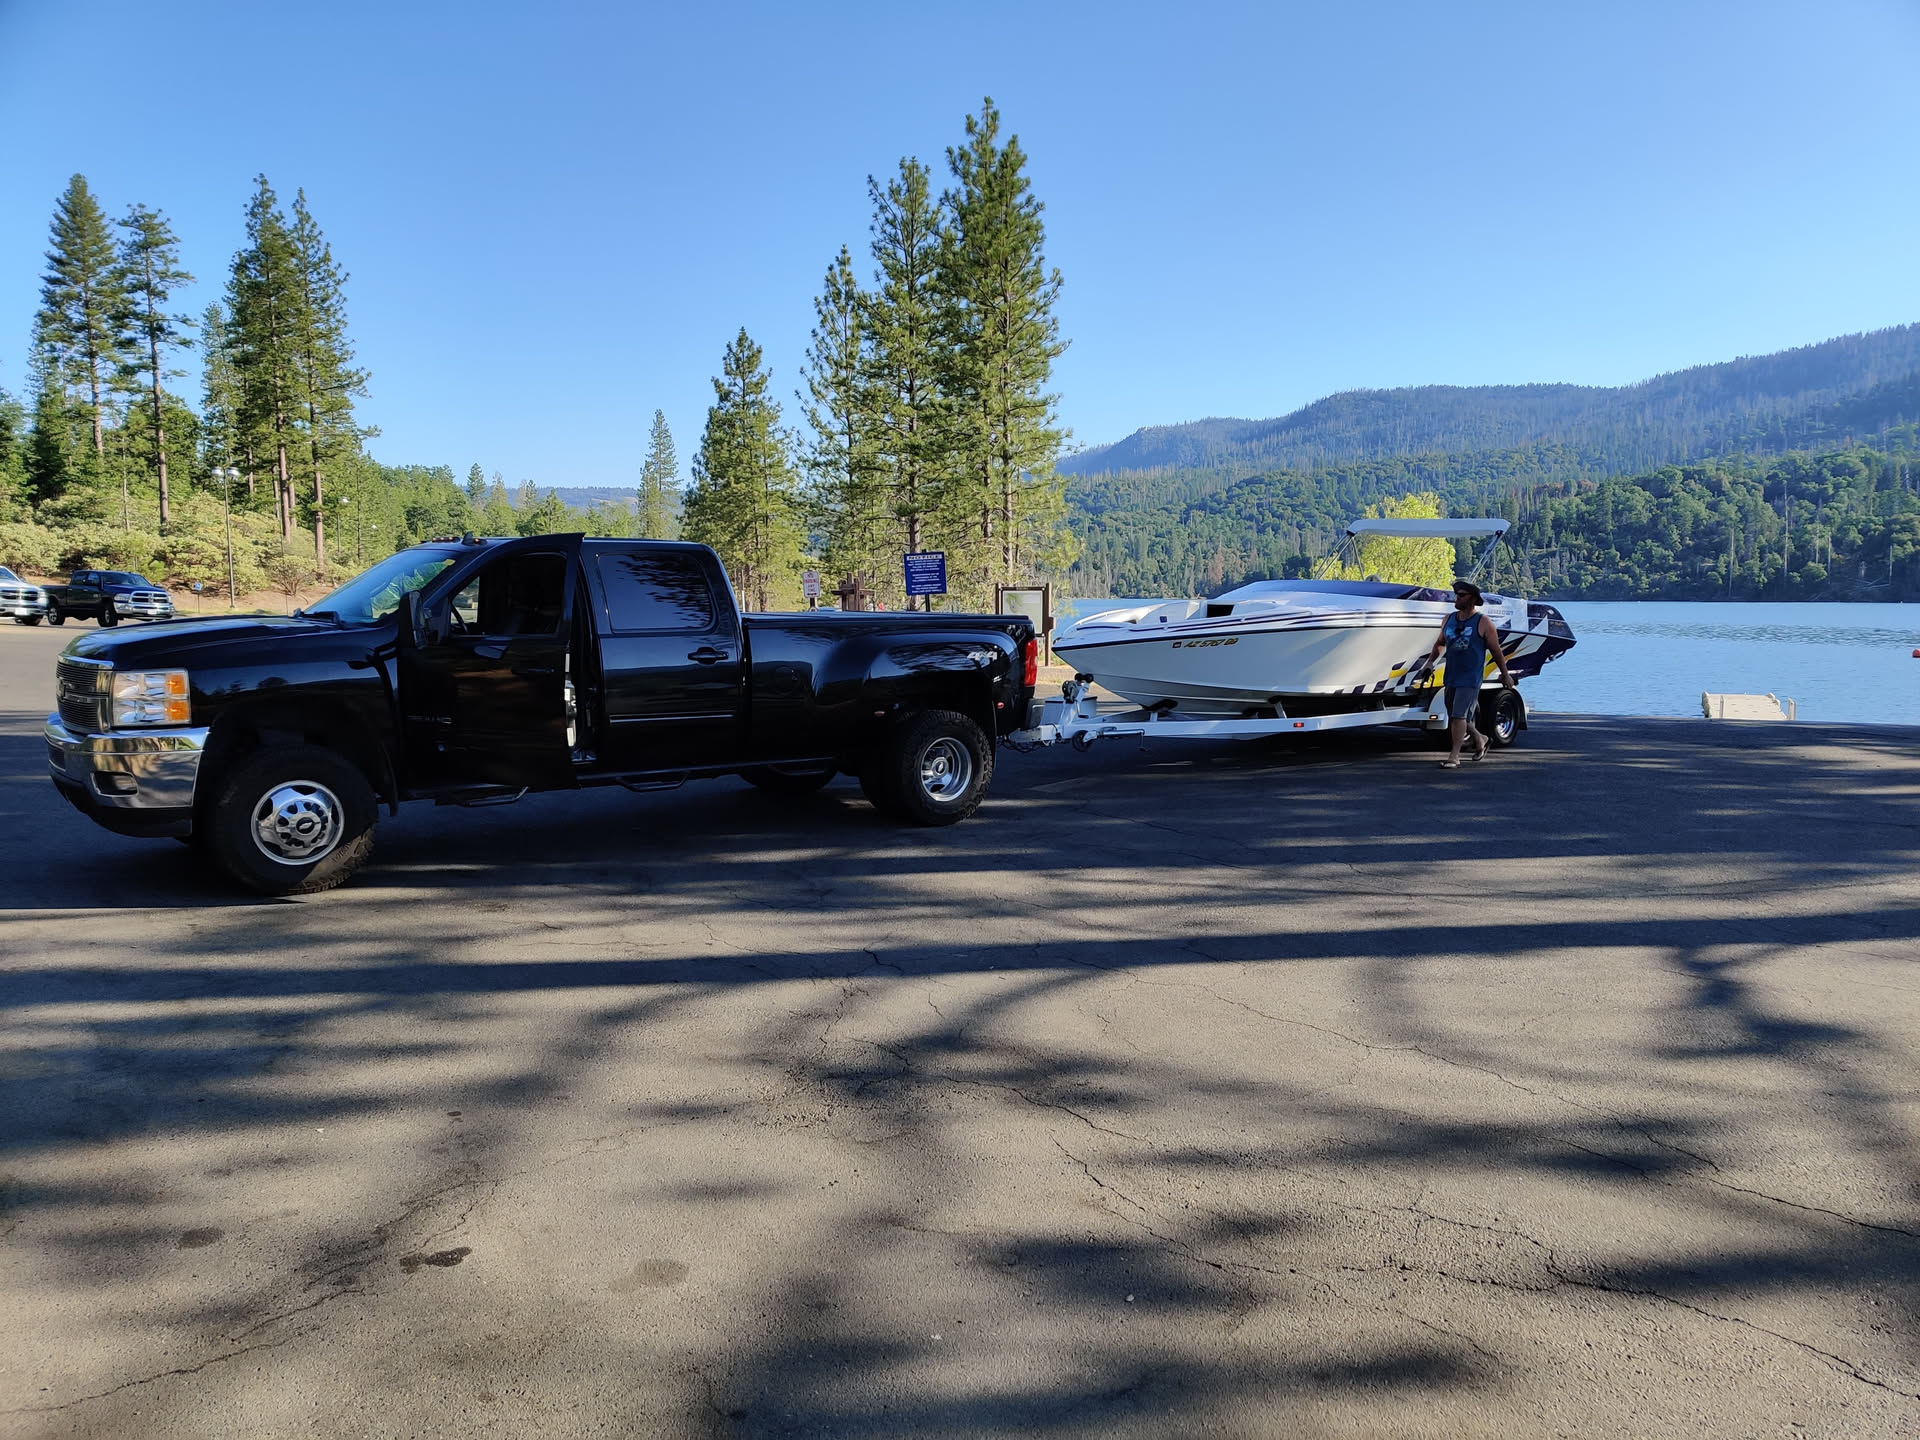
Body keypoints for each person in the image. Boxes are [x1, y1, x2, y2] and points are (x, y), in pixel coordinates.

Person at [1429, 580, 1515, 768]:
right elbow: (1440, 644)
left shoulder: (1483, 622)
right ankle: (1481, 738)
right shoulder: (1448, 619)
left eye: (1461, 595)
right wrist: (1429, 663)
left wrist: (1505, 674)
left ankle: (1454, 756)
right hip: (1451, 675)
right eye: (1456, 595)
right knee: (1455, 716)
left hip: (1470, 678)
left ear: (1473, 599)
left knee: (1459, 716)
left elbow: (1496, 651)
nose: (1457, 598)